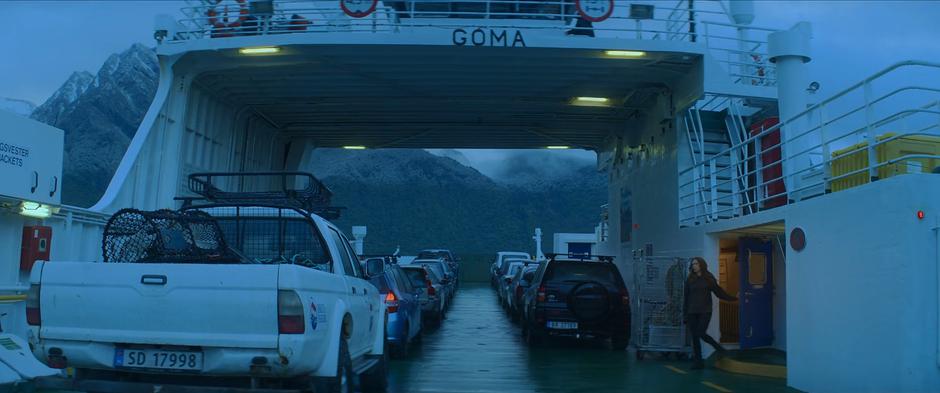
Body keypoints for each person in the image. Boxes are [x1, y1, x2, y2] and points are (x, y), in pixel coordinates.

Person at [684, 257, 737, 369]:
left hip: (705, 311)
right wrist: (685, 314)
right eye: (693, 264)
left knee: (700, 332)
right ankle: (698, 362)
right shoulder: (689, 279)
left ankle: (719, 348)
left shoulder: (708, 278)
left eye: (696, 264)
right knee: (695, 337)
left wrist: (733, 298)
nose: (694, 266)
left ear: (701, 265)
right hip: (692, 311)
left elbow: (718, 292)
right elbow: (686, 297)